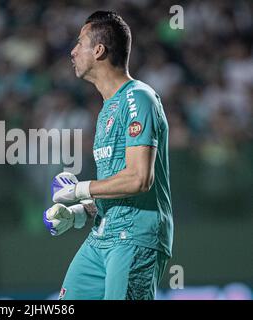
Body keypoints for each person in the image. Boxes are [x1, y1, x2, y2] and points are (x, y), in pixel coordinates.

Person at [43, 11, 174, 300]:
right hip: (102, 237)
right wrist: (80, 213)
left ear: (99, 50)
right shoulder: (106, 111)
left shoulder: (139, 97)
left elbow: (140, 179)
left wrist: (77, 190)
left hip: (135, 238)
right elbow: (117, 186)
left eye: (80, 43)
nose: (72, 51)